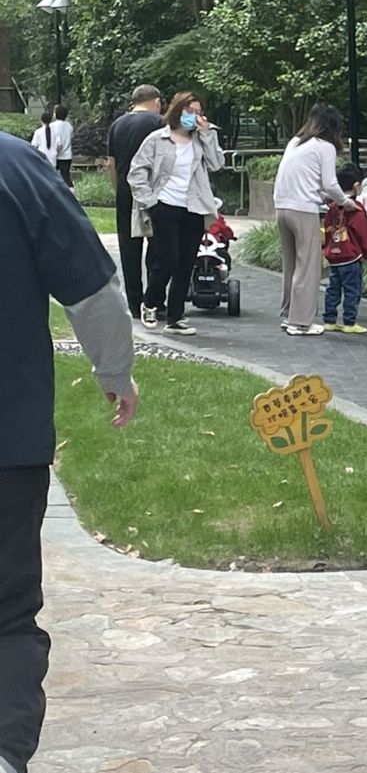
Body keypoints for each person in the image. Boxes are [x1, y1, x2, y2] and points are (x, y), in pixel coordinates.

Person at [0, 130, 138, 773]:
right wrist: (115, 372)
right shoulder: (16, 168)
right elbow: (92, 288)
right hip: (8, 438)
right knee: (6, 614)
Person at [127, 91, 224, 336]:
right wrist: (150, 201)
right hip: (165, 205)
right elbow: (137, 171)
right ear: (177, 111)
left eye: (198, 112)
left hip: (193, 206)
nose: (194, 116)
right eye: (190, 111)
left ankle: (175, 317)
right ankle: (151, 302)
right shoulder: (157, 139)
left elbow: (216, 164)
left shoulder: (201, 139)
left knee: (186, 263)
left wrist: (208, 134)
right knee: (167, 259)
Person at [273, 103, 358, 337]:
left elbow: (302, 180)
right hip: (303, 211)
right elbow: (330, 183)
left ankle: (289, 313)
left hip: (282, 207)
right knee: (308, 266)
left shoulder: (295, 142)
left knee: (291, 265)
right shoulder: (325, 147)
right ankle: (301, 322)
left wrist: (322, 196)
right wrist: (345, 202)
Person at [107, 85, 164, 318]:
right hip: (153, 190)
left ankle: (134, 301)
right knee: (158, 246)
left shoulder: (117, 125)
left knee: (129, 247)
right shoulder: (159, 123)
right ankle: (154, 301)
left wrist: (118, 189)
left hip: (125, 189)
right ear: (157, 101)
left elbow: (111, 163)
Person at [323, 165, 367, 334]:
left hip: (334, 255)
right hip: (351, 256)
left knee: (333, 288)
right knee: (352, 290)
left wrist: (327, 248)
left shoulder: (332, 207)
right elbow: (363, 233)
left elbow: (327, 228)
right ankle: (349, 322)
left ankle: (329, 320)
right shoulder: (356, 208)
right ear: (356, 186)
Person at [50, 105, 74, 188]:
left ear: (55, 114)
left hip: (55, 156)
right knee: (66, 176)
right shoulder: (69, 126)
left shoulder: (52, 126)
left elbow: (58, 141)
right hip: (67, 155)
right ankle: (71, 191)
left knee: (53, 176)